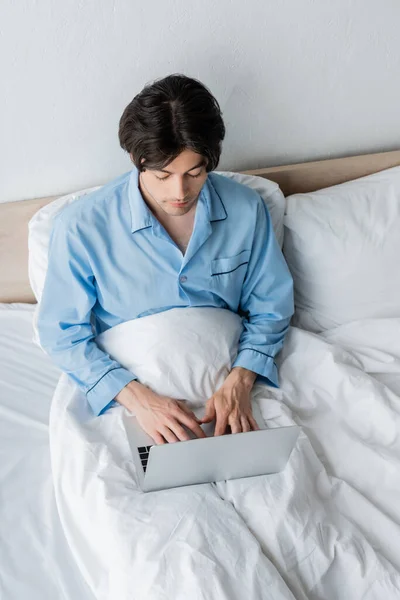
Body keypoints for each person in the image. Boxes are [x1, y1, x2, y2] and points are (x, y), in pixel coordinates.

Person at [37, 73, 294, 445]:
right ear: (135, 160)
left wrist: (241, 379)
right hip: (130, 399)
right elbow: (61, 333)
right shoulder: (82, 228)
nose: (180, 192)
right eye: (162, 175)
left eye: (195, 173)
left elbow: (272, 307)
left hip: (237, 389)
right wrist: (138, 399)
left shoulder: (245, 209)